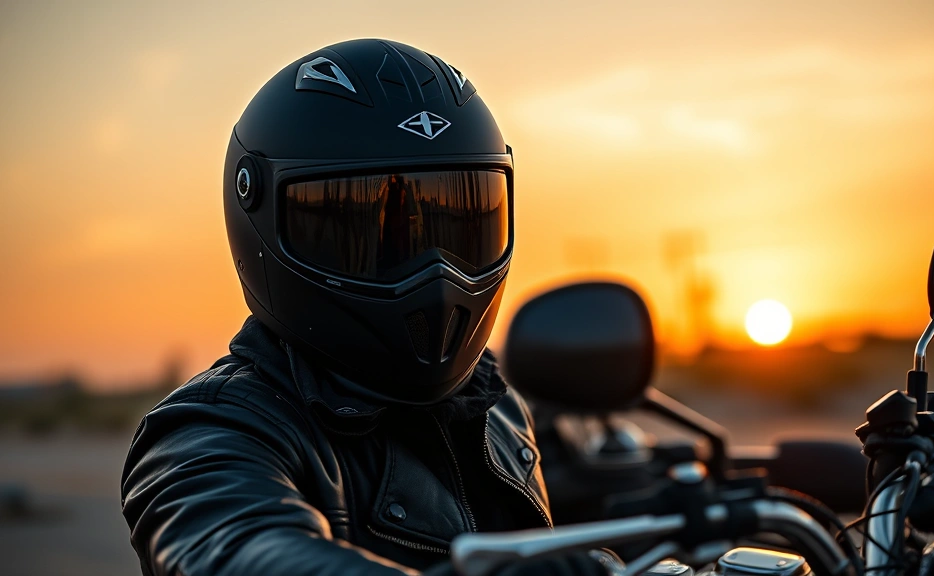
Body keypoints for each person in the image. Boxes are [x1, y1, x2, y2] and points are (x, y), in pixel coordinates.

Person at [120, 39, 608, 576]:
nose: (436, 275)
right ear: (258, 214)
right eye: (368, 231)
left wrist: (641, 498)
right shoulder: (212, 431)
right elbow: (236, 548)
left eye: (457, 222)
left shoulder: (493, 404)